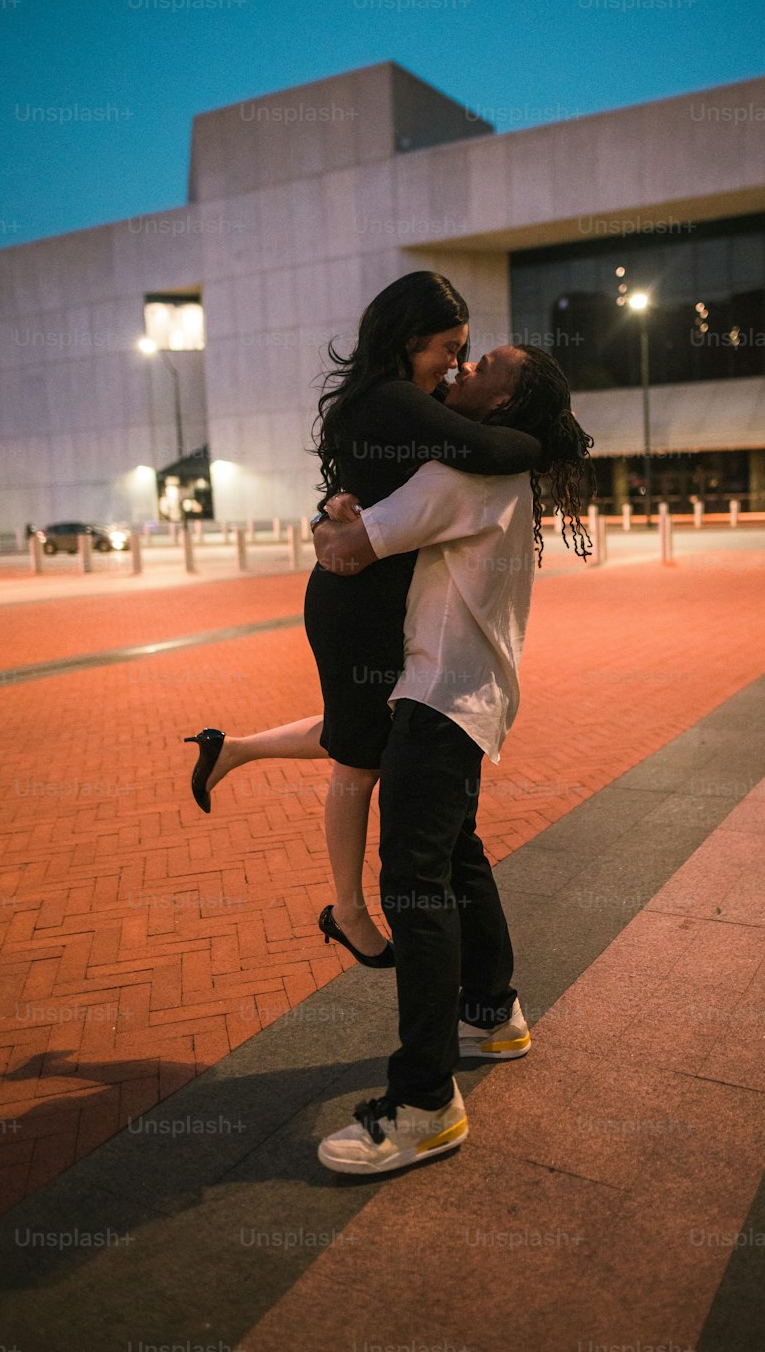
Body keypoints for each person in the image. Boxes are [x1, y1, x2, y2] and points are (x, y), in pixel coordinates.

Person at [184, 273, 541, 966]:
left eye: (465, 351)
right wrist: (543, 441)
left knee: (361, 729)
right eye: (448, 346)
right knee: (360, 756)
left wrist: (329, 515)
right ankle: (347, 910)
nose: (457, 363)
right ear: (409, 338)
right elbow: (491, 450)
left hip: (370, 588)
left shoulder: (402, 397)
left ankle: (233, 749)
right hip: (358, 597)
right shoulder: (394, 399)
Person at [311, 343, 594, 1174]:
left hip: (435, 702)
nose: (462, 370)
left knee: (414, 886)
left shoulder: (458, 477)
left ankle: (425, 1102)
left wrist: (334, 510)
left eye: (484, 369)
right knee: (455, 857)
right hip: (475, 699)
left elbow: (346, 550)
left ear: (503, 406)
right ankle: (492, 1009)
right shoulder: (500, 477)